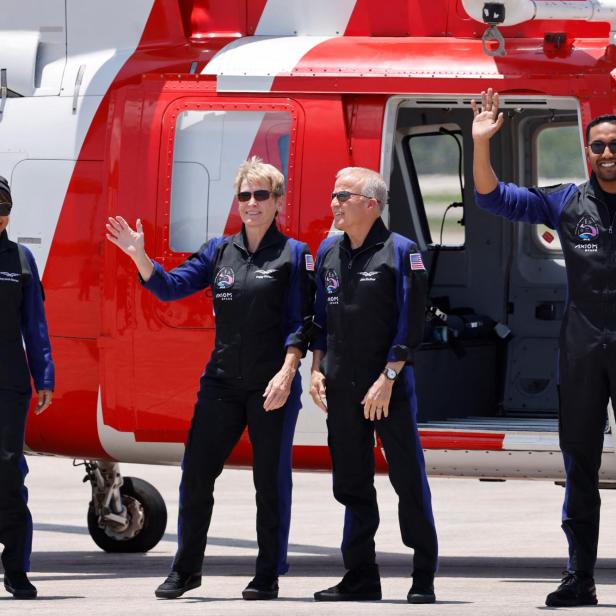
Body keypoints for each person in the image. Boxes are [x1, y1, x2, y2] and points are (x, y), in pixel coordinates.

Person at [106, 157, 314, 601]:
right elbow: (169, 286)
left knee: (269, 481)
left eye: (261, 195)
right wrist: (138, 254)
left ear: (278, 201)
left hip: (271, 384)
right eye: (244, 195)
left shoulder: (294, 255)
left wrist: (287, 371)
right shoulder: (219, 251)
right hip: (221, 383)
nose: (252, 203)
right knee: (196, 475)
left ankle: (267, 573)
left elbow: (304, 322)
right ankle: (186, 570)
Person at [472, 88, 616, 608]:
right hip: (583, 347)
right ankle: (580, 576)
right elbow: (493, 198)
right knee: (579, 463)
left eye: (614, 145)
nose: (605, 154)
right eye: (597, 146)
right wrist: (481, 144)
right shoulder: (567, 201)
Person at [309, 167, 438, 604]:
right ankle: (361, 575)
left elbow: (410, 323)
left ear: (371, 204)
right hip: (342, 389)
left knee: (407, 479)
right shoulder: (329, 252)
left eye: (342, 195)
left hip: (389, 388)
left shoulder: (402, 252)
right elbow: (320, 321)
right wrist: (315, 369)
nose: (334, 203)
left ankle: (423, 574)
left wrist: (387, 378)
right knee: (351, 482)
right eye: (333, 194)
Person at [0, 176, 54, 600]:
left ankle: (16, 568)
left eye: (3, 207)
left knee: (8, 474)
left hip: (10, 385)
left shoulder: (20, 259)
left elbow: (34, 324)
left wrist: (45, 377)